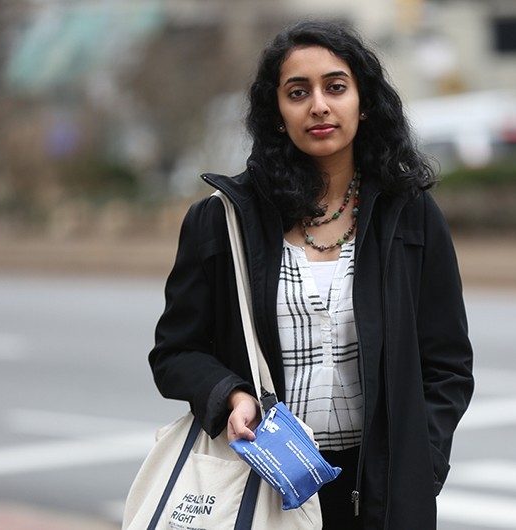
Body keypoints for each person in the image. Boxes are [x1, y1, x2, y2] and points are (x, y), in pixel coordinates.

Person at [149, 19, 474, 529]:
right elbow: (175, 352)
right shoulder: (223, 219)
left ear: (363, 104)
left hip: (381, 492)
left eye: (335, 87)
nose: (318, 105)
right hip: (265, 483)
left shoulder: (409, 215)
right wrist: (230, 395)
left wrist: (420, 466)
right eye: (297, 92)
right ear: (277, 114)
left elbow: (447, 365)